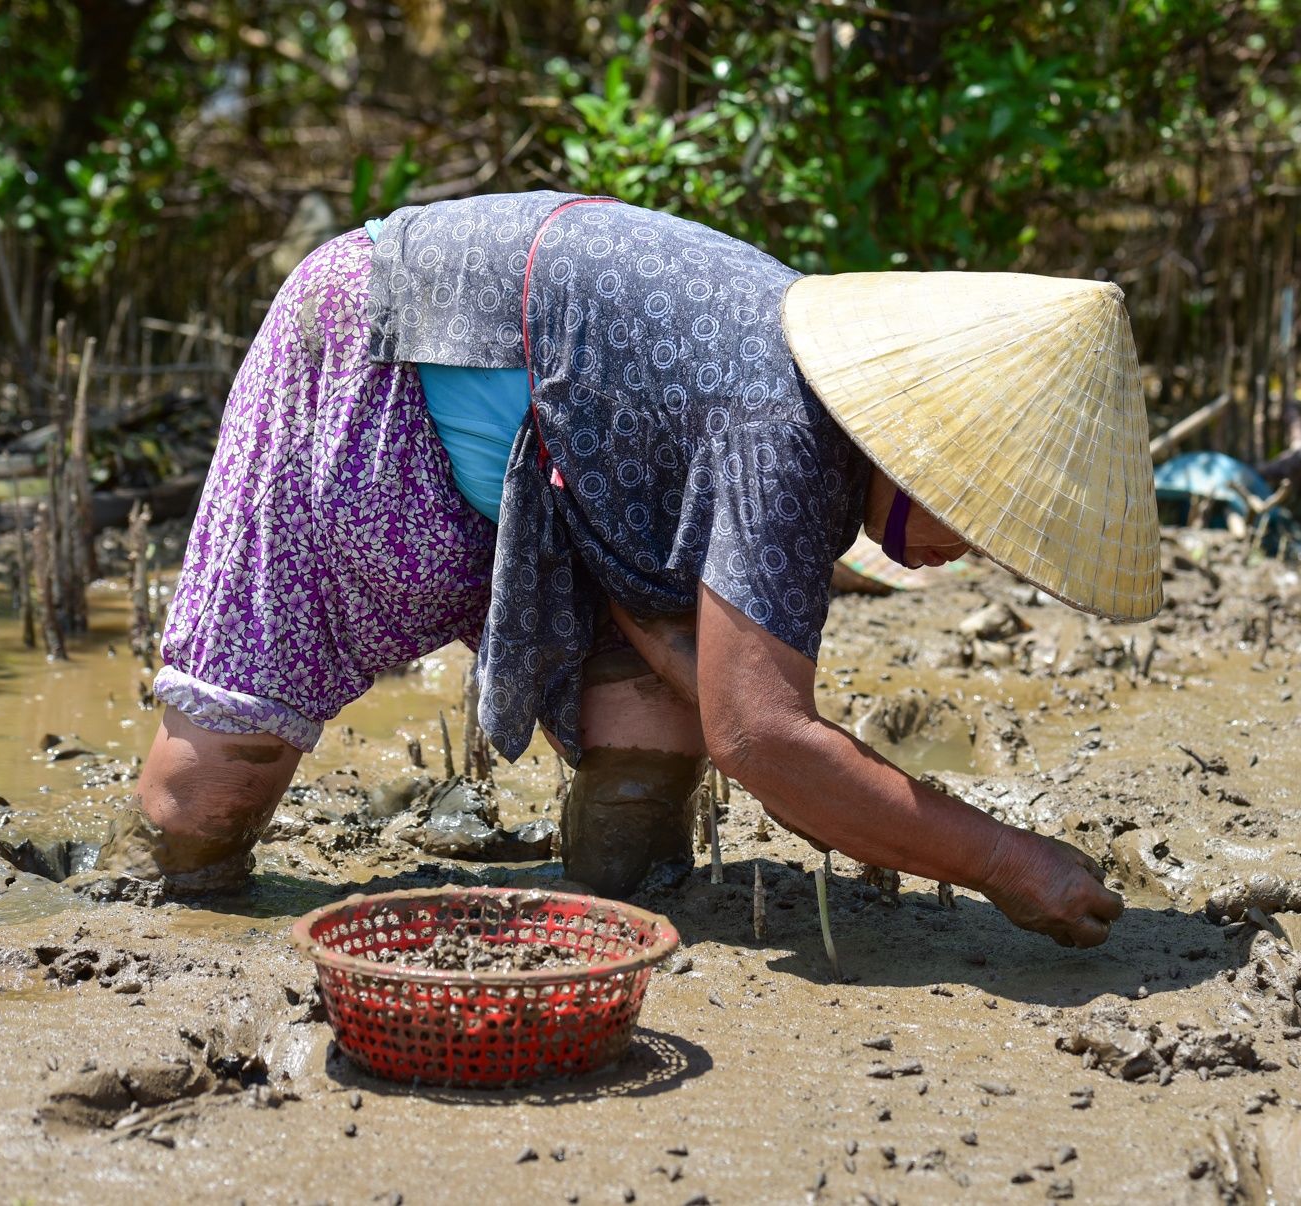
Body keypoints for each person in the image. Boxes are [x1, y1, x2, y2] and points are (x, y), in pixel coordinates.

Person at [89, 191, 1160, 948]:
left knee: (658, 722)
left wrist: (867, 808)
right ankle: (150, 912)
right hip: (382, 346)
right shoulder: (783, 424)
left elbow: (718, 684)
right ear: (911, 445)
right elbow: (768, 739)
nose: (970, 551)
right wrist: (1011, 865)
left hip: (562, 452)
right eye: (975, 514)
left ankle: (621, 908)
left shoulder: (806, 422)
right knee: (215, 780)